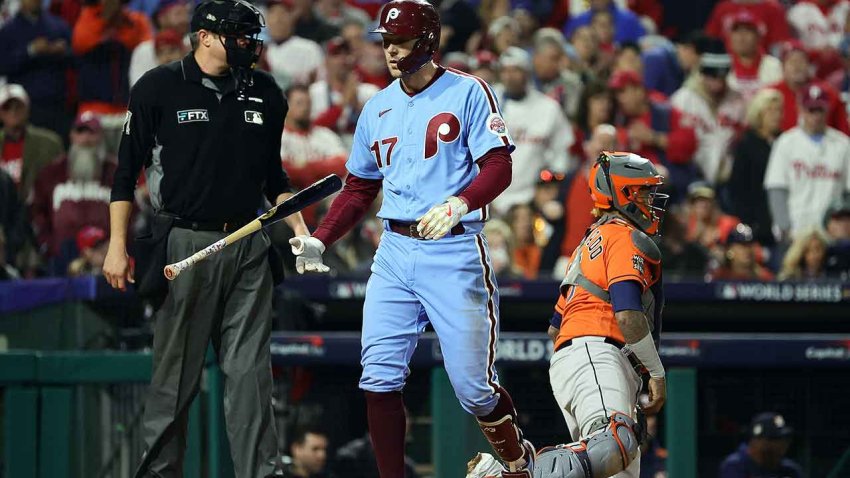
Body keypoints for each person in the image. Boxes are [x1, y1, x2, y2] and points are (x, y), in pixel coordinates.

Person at [289, 1, 537, 476]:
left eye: (399, 40)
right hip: (394, 251)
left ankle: (517, 462)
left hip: (455, 247)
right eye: (385, 41)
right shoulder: (377, 106)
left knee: (473, 389)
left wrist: (459, 202)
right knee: (378, 379)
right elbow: (360, 185)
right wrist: (323, 237)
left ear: (426, 41)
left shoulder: (468, 91)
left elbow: (499, 165)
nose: (390, 50)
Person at [102, 1, 310, 476]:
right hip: (186, 244)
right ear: (204, 37)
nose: (250, 45)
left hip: (249, 242)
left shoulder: (265, 91)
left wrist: (299, 228)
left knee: (252, 375)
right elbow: (124, 173)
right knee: (174, 379)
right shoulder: (158, 87)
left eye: (251, 36)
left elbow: (272, 175)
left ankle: (261, 472)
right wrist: (117, 247)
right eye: (238, 36)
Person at [535, 151, 667, 478]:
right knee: (614, 443)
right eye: (644, 192)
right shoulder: (622, 236)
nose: (651, 201)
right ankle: (511, 473)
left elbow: (555, 329)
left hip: (581, 357)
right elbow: (627, 315)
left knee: (613, 467)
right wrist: (657, 373)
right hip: (599, 353)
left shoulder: (587, 245)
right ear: (622, 193)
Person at [491, 46, 574, 216]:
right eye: (505, 71)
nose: (509, 76)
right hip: (490, 199)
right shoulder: (487, 103)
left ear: (527, 73)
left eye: (515, 71)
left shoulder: (548, 108)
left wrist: (548, 187)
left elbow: (563, 152)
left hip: (531, 201)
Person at [764, 83, 850, 242]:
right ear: (801, 110)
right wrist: (785, 227)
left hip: (833, 233)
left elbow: (848, 191)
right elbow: (777, 188)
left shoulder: (843, 144)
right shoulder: (786, 142)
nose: (816, 116)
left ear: (827, 110)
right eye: (811, 110)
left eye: (820, 110)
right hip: (796, 231)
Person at [30, 112, 115, 259]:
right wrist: (48, 246)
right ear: (71, 136)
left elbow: (132, 216)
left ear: (101, 137)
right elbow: (37, 213)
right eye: (80, 132)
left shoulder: (115, 172)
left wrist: (116, 247)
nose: (85, 139)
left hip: (107, 256)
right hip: (60, 256)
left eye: (91, 132)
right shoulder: (52, 173)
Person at [0, 0, 72, 136]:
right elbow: (3, 65)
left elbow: (75, 59)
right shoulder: (8, 30)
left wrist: (62, 51)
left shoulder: (58, 26)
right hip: (23, 106)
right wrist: (30, 50)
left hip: (56, 103)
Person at [726, 88, 783, 246]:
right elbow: (738, 187)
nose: (776, 115)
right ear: (759, 113)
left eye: (779, 110)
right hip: (756, 221)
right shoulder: (747, 144)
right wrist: (749, 223)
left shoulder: (786, 142)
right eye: (770, 110)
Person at [0, 83, 64, 203]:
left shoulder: (49, 143)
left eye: (18, 106)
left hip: (35, 210)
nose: (13, 112)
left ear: (27, 109)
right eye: (7, 107)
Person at [718, 412, 803, 478]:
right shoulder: (735, 466)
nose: (783, 444)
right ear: (756, 441)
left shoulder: (790, 470)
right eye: (775, 439)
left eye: (784, 439)